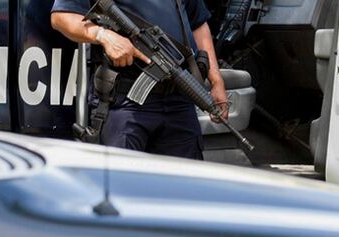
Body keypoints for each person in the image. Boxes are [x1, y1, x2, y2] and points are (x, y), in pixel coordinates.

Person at [51, 0, 227, 159]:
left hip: (179, 101)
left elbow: (198, 25)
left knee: (185, 181)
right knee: (122, 180)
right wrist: (103, 36)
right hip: (125, 102)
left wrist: (216, 81)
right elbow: (61, 17)